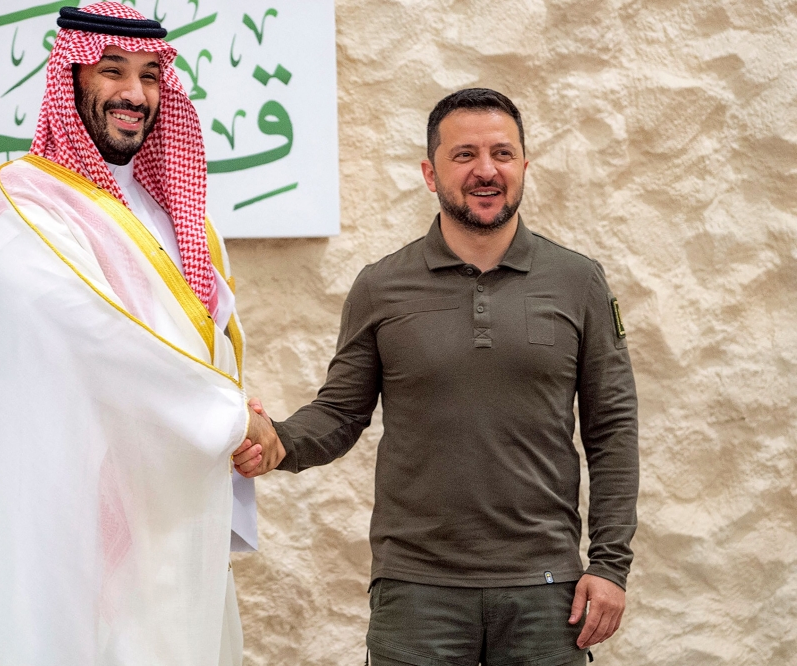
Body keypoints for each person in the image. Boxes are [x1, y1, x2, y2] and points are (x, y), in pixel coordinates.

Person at [234, 88, 639, 665]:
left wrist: (609, 565)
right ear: (430, 172)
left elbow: (613, 430)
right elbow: (341, 413)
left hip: (545, 589)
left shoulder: (579, 283)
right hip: (416, 590)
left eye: (502, 153)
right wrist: (280, 439)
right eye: (464, 154)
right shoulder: (381, 286)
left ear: (524, 165)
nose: (485, 169)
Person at [0, 4, 258, 665]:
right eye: (112, 71)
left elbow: (205, 346)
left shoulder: (177, 215)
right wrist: (230, 420)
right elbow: (100, 342)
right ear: (71, 78)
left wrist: (239, 423)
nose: (134, 94)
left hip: (171, 522)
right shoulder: (20, 206)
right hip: (72, 530)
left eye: (149, 75)